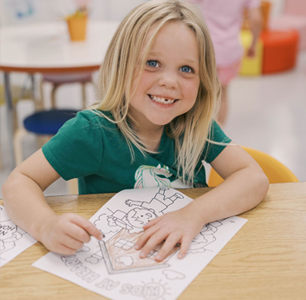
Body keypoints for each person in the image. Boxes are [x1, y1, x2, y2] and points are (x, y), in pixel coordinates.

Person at [2, 0, 268, 262]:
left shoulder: (196, 124)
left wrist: (193, 214)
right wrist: (45, 225)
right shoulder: (91, 131)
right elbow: (20, 181)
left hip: (188, 260)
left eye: (187, 69)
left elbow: (253, 178)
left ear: (204, 80)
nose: (169, 81)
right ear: (121, 64)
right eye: (152, 63)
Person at [186, 0, 262, 125]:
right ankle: (218, 135)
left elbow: (185, 5)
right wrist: (253, 44)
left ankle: (197, 131)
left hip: (206, 48)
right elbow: (257, 19)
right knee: (223, 93)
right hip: (230, 51)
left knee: (200, 92)